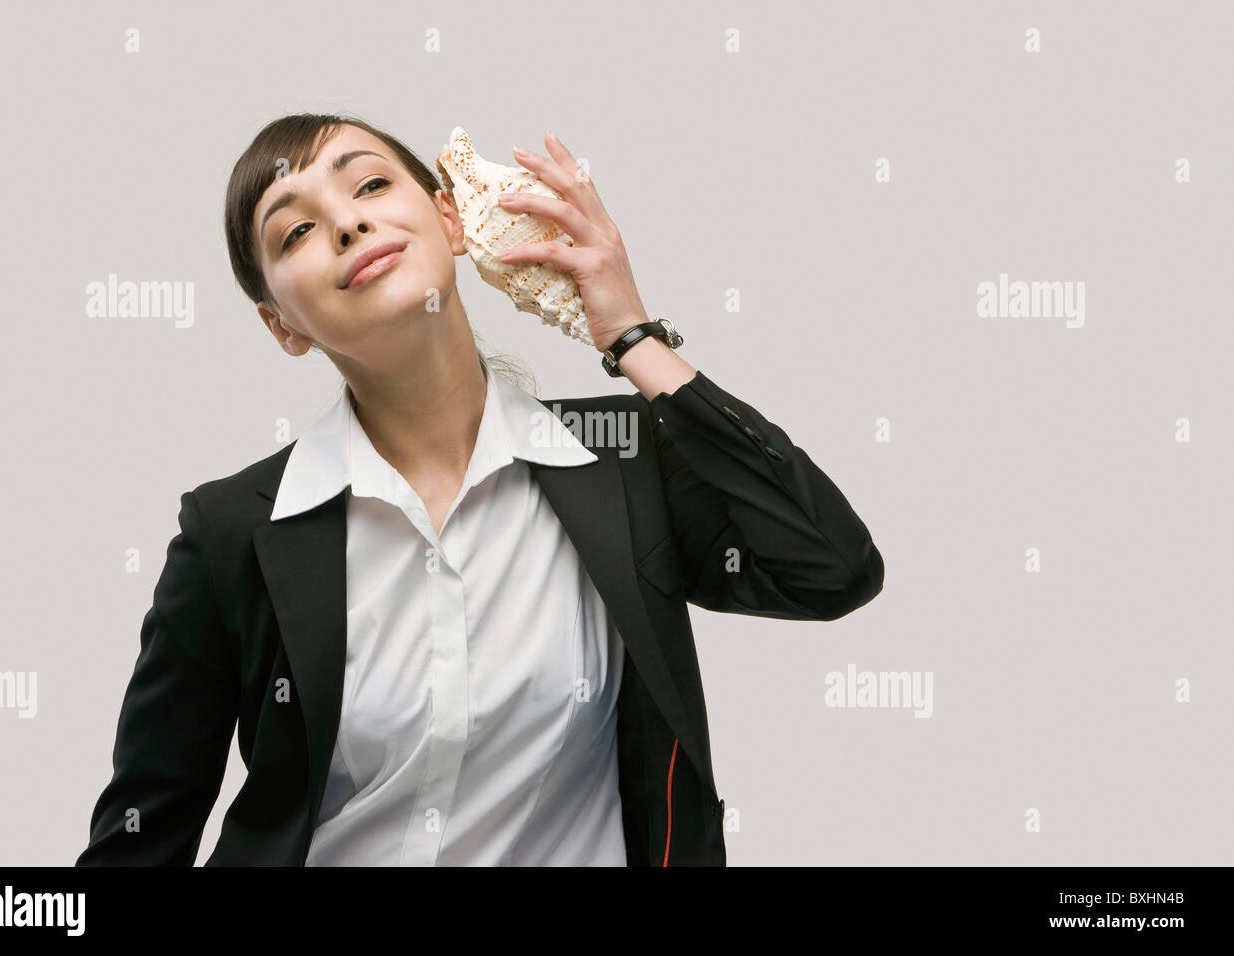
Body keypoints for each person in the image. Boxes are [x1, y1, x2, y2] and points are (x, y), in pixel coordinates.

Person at [76, 113, 885, 866]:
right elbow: (141, 838)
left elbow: (829, 567)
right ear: (280, 324)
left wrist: (631, 337)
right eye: (295, 230)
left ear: (452, 221)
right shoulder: (231, 533)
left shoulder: (619, 461)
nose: (349, 224)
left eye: (369, 186)